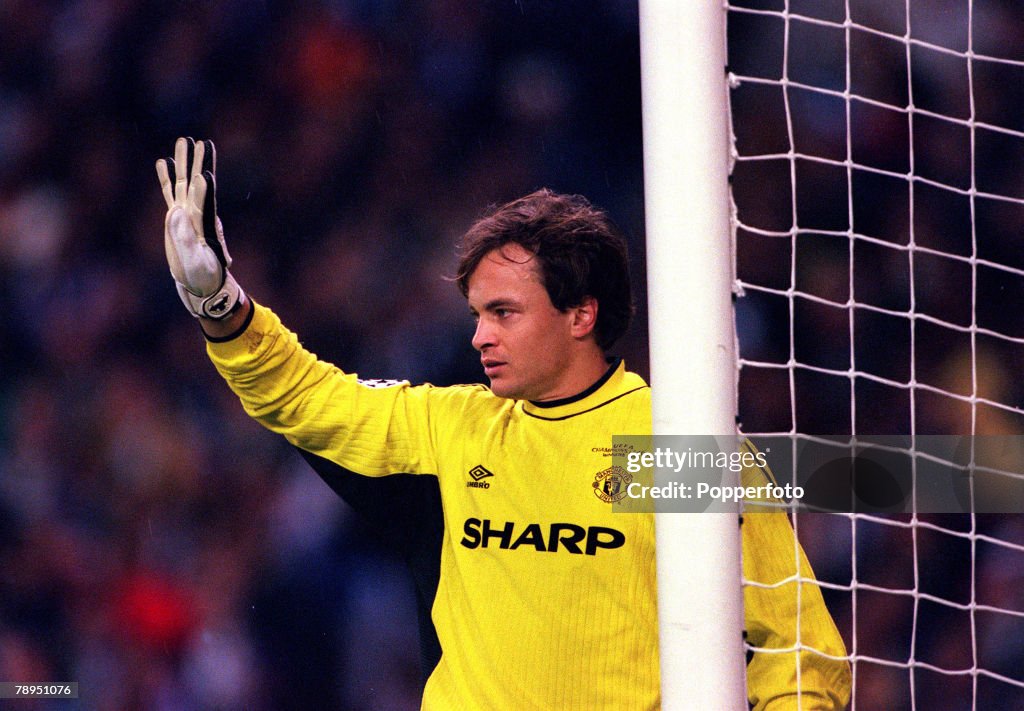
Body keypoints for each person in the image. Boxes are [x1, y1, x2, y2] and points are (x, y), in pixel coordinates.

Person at [157, 137, 851, 709]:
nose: (479, 337)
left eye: (504, 312)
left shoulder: (674, 447)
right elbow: (306, 397)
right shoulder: (459, 426)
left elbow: (799, 649)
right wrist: (221, 304)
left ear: (581, 313)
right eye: (477, 314)